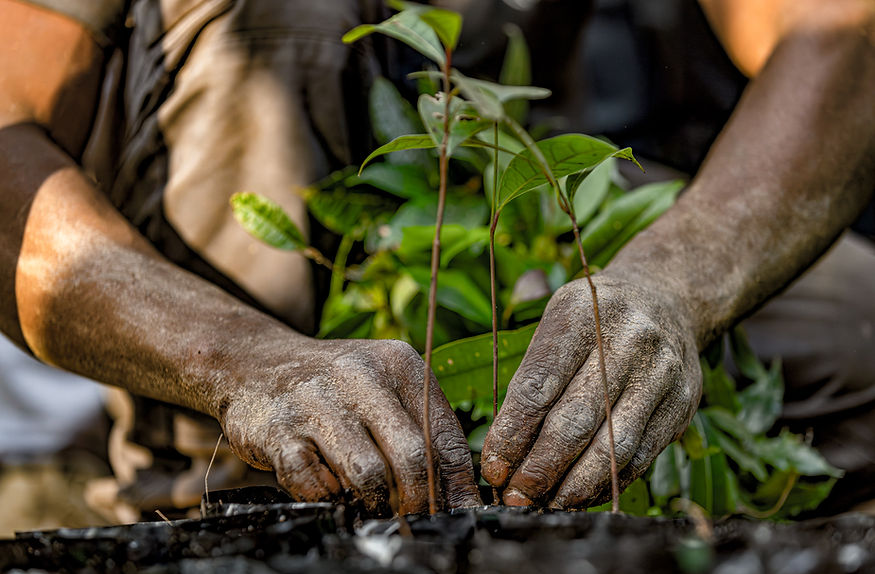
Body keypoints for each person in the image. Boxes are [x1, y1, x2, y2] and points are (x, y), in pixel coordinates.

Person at [0, 0, 872, 520]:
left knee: (854, 338)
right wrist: (237, 364)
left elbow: (838, 34)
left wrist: (680, 282)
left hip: (502, 220)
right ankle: (219, 495)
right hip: (224, 278)